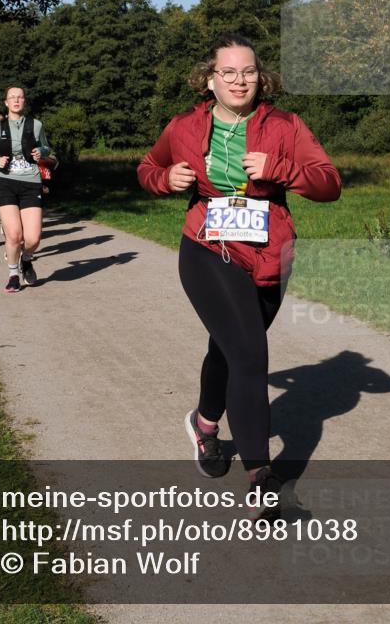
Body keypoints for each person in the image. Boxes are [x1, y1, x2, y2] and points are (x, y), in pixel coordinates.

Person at [137, 32, 341, 517]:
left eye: (247, 71)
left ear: (260, 76)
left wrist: (282, 168)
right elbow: (148, 167)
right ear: (210, 79)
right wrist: (166, 180)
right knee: (250, 353)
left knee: (230, 348)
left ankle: (205, 425)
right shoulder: (185, 126)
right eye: (227, 72)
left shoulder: (286, 126)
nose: (239, 80)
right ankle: (261, 478)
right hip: (207, 247)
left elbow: (330, 184)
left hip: (269, 253)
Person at [0, 86, 55, 293]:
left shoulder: (36, 125)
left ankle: (26, 259)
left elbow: (47, 148)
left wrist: (41, 151)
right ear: (6, 102)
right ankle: (13, 275)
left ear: (24, 101)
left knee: (33, 238)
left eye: (20, 97)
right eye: (12, 98)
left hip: (31, 182)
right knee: (14, 235)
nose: (16, 101)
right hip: (5, 182)